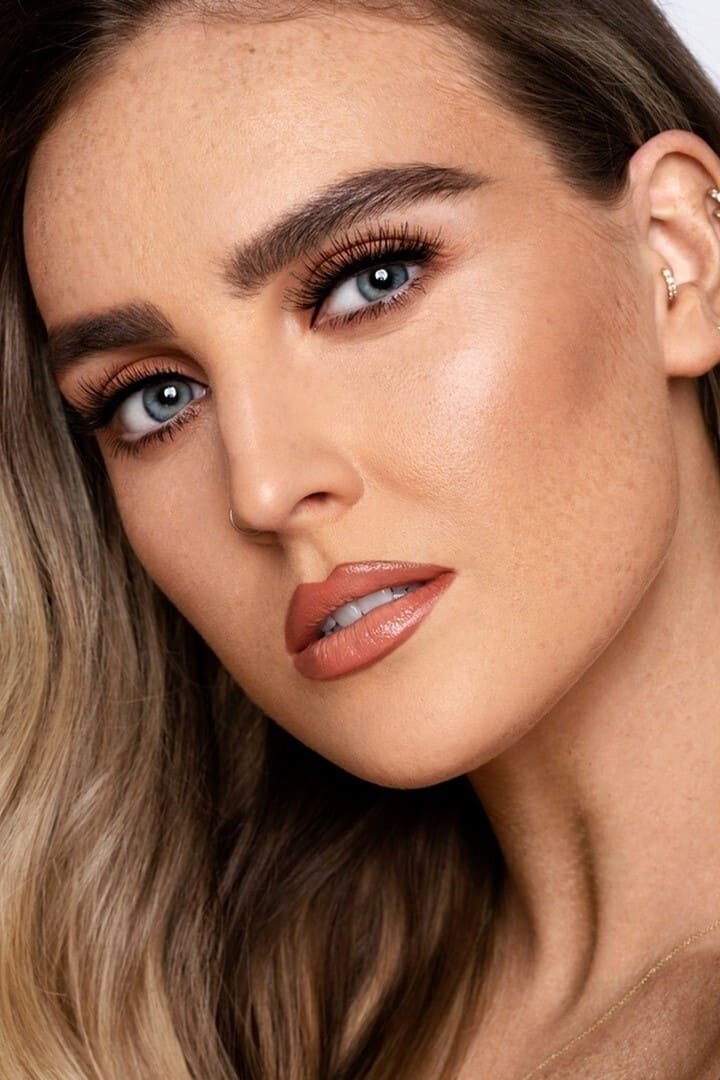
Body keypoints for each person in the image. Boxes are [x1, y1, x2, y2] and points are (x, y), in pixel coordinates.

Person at [2, 0, 720, 1075]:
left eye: (368, 282)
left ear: (679, 253)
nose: (263, 487)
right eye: (155, 398)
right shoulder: (190, 1030)